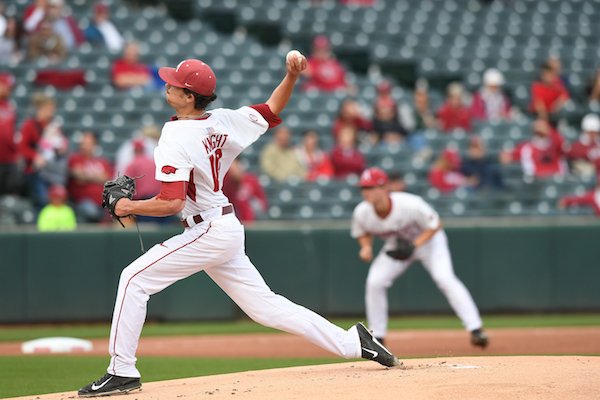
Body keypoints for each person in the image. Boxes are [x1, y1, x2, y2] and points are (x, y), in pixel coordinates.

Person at [77, 55, 400, 397]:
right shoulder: (224, 121)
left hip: (208, 230)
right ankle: (353, 342)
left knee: (134, 278)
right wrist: (291, 76)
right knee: (267, 307)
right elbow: (273, 108)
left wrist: (129, 205)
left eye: (175, 84)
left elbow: (171, 203)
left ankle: (121, 370)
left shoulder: (175, 136)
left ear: (189, 97)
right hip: (223, 226)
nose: (167, 85)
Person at [351, 167, 488, 348]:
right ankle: (378, 338)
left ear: (384, 188)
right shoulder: (362, 211)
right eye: (364, 188)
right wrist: (366, 247)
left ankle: (475, 329)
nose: (366, 192)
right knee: (375, 282)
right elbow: (363, 231)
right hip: (396, 246)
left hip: (429, 243)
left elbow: (435, 223)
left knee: (444, 278)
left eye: (371, 187)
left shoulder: (410, 204)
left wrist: (414, 245)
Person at [18, 93, 59, 206]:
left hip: (50, 171)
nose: (51, 113)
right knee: (42, 200)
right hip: (33, 171)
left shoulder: (52, 126)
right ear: (40, 109)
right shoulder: (30, 125)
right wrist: (35, 156)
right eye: (49, 109)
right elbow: (22, 147)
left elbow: (58, 144)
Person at [67, 131, 113, 222]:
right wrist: (98, 177)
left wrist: (87, 176)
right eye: (82, 143)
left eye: (87, 143)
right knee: (92, 212)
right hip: (83, 202)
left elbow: (108, 180)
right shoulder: (75, 158)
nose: (83, 146)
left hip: (104, 202)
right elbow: (79, 177)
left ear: (94, 145)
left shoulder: (102, 162)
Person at [500, 118, 567, 179]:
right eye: (539, 126)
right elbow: (507, 156)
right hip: (536, 181)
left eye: (544, 126)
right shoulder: (527, 147)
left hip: (557, 177)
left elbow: (566, 149)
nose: (541, 128)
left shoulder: (555, 143)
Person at [222, 158, 268, 223]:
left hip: (254, 218)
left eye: (235, 167)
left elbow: (262, 203)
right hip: (235, 218)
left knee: (243, 199)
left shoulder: (251, 180)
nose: (233, 171)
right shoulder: (227, 182)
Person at [564, 113, 600, 178]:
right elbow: (568, 152)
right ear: (585, 131)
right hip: (587, 177)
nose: (593, 135)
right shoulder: (577, 145)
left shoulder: (597, 144)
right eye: (590, 132)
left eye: (595, 132)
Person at [0, 72, 18, 195]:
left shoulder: (10, 106)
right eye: (6, 86)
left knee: (7, 194)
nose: (8, 90)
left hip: (8, 159)